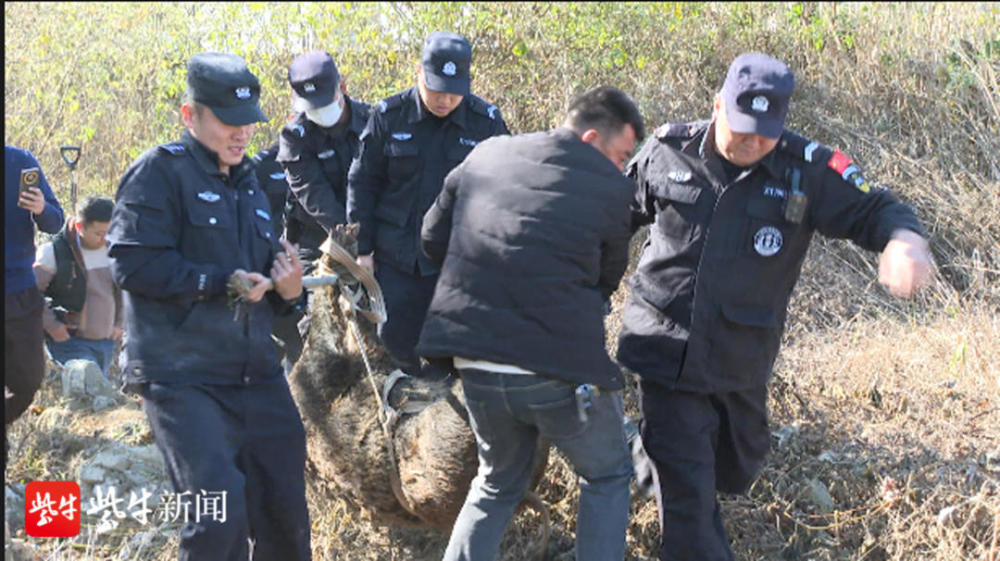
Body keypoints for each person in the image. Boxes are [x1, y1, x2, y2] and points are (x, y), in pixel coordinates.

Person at [617, 53, 936, 561]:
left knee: (736, 466)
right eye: (741, 128)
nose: (751, 142)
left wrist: (904, 240)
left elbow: (876, 207)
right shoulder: (669, 150)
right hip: (665, 349)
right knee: (690, 500)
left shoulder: (807, 169)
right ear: (717, 105)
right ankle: (664, 466)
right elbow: (612, 215)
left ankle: (642, 456)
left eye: (764, 134)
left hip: (740, 356)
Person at [417, 86, 645, 561]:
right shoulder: (610, 187)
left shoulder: (485, 154)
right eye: (622, 156)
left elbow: (431, 237)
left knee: (496, 481)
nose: (622, 167)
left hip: (475, 361)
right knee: (606, 475)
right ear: (590, 139)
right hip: (557, 370)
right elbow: (607, 278)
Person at [107, 52, 311, 560]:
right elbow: (132, 265)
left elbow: (270, 286)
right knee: (218, 515)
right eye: (227, 121)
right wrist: (221, 282)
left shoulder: (254, 184)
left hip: (257, 374)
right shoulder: (158, 174)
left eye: (248, 121)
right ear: (189, 115)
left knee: (287, 516)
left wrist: (289, 292)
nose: (241, 133)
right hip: (182, 378)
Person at [347, 31, 509, 381]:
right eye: (436, 90)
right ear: (418, 72)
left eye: (454, 92)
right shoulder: (388, 116)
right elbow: (363, 184)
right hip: (396, 262)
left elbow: (505, 193)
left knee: (455, 360)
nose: (445, 100)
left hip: (457, 265)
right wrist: (363, 250)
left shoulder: (486, 123)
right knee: (394, 354)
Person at [268, 50, 372, 370]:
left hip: (372, 234)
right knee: (315, 326)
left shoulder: (375, 121)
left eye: (324, 103)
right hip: (317, 240)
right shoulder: (294, 137)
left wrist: (368, 246)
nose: (319, 113)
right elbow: (316, 198)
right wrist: (351, 246)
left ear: (342, 86)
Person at [5, 146, 64, 435]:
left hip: (19, 290)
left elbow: (56, 221)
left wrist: (41, 208)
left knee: (28, 380)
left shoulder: (20, 161)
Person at [34, 195, 123, 377]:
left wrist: (120, 323)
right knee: (86, 386)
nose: (105, 239)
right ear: (79, 226)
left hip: (106, 342)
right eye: (99, 234)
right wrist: (52, 326)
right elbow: (31, 293)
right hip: (69, 342)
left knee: (99, 390)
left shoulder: (116, 249)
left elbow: (124, 289)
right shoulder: (53, 252)